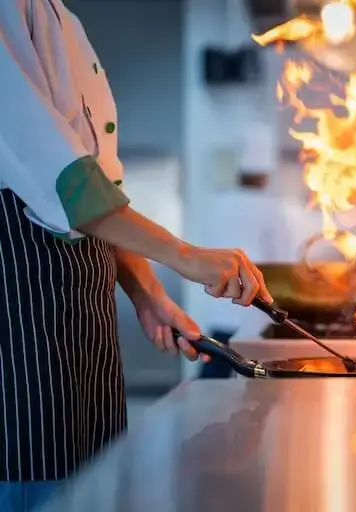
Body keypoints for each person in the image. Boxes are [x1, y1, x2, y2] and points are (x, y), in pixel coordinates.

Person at [0, 0, 273, 509]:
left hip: (83, 303)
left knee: (96, 481)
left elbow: (94, 178)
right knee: (35, 482)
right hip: (19, 308)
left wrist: (146, 290)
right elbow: (60, 180)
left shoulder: (61, 17)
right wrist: (184, 256)